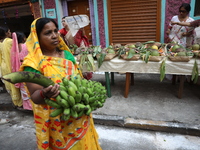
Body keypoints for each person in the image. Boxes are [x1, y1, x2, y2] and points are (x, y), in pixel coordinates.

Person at [20, 18, 102, 150]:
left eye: (55, 31)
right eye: (47, 33)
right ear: (37, 37)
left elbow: (80, 82)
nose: (54, 36)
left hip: (80, 115)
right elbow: (35, 97)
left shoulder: (67, 56)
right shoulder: (32, 64)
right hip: (57, 122)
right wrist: (44, 93)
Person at [59, 16, 93, 80]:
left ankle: (86, 77)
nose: (63, 22)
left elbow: (83, 35)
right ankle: (78, 77)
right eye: (62, 21)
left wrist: (82, 29)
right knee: (76, 63)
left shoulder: (76, 28)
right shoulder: (62, 31)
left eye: (64, 21)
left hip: (81, 46)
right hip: (72, 49)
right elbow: (58, 35)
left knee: (83, 61)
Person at [0, 26, 22, 108]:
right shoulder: (10, 41)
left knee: (9, 84)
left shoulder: (0, 43)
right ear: (6, 33)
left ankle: (15, 101)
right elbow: (17, 52)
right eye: (9, 31)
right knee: (15, 84)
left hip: (3, 66)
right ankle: (19, 103)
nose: (10, 33)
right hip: (11, 65)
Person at [10, 32, 32, 110]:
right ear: (23, 38)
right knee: (29, 87)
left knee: (23, 88)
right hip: (27, 69)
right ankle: (32, 107)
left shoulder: (13, 49)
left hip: (19, 71)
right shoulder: (26, 46)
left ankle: (26, 106)